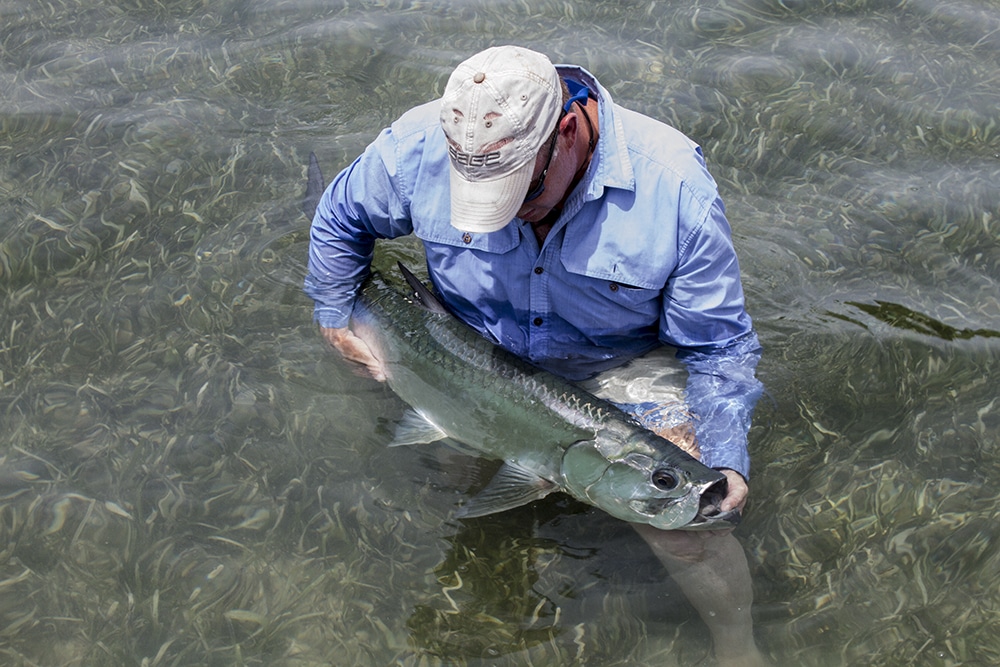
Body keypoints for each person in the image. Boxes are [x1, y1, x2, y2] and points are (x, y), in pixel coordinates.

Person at [305, 45, 765, 666]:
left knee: (688, 523)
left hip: (617, 365)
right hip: (467, 345)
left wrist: (727, 460)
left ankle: (738, 649)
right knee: (456, 490)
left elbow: (718, 346)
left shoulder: (674, 187)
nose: (509, 213)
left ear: (567, 131)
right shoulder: (418, 145)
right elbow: (338, 221)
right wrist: (334, 312)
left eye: (519, 191)